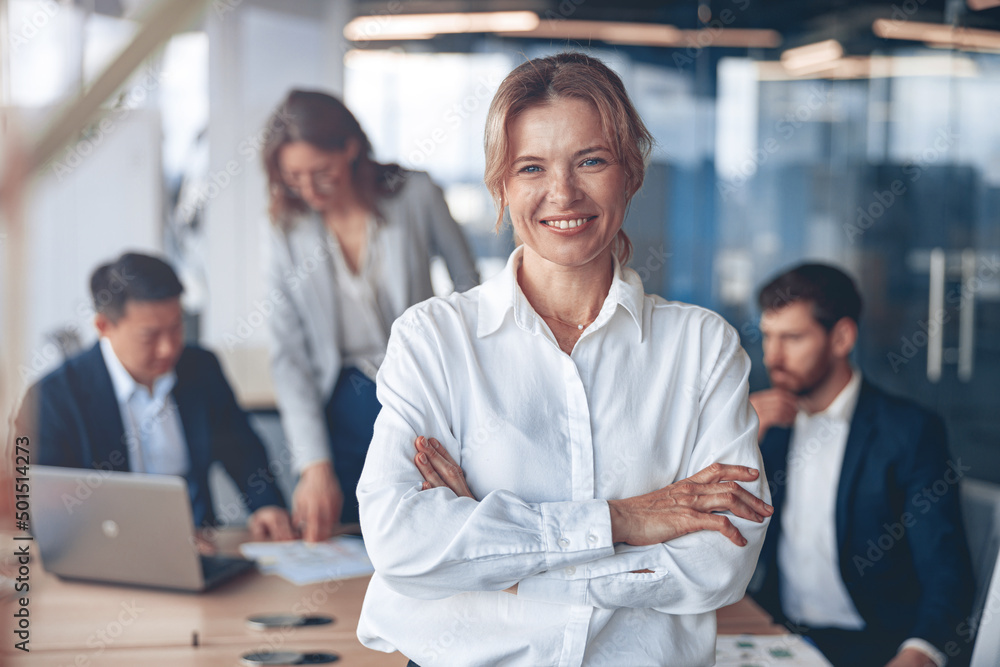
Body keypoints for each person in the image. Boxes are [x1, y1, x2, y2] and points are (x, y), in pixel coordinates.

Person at [355, 52, 772, 667]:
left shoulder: (703, 349)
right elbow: (400, 540)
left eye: (591, 161)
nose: (563, 193)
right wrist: (625, 521)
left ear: (630, 173)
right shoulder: (434, 339)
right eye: (531, 167)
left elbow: (720, 563)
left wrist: (495, 558)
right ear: (501, 185)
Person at [262, 90, 480, 542]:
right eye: (294, 177)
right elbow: (289, 356)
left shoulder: (415, 194)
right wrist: (312, 465)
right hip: (339, 398)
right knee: (350, 532)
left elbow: (469, 286)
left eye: (321, 173)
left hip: (418, 385)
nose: (308, 189)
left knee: (424, 527)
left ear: (350, 147)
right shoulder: (287, 228)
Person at [748, 263, 975, 667]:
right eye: (767, 336)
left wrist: (919, 653)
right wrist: (739, 439)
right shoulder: (764, 425)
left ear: (841, 337)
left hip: (877, 647)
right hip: (777, 634)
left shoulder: (909, 432)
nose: (773, 356)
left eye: (792, 338)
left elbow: (947, 574)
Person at [14, 252, 293, 540]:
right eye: (149, 336)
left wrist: (267, 505)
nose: (168, 348)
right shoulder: (53, 398)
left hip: (199, 547)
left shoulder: (201, 369)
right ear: (103, 327)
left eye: (176, 328)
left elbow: (244, 453)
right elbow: (40, 512)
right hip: (105, 556)